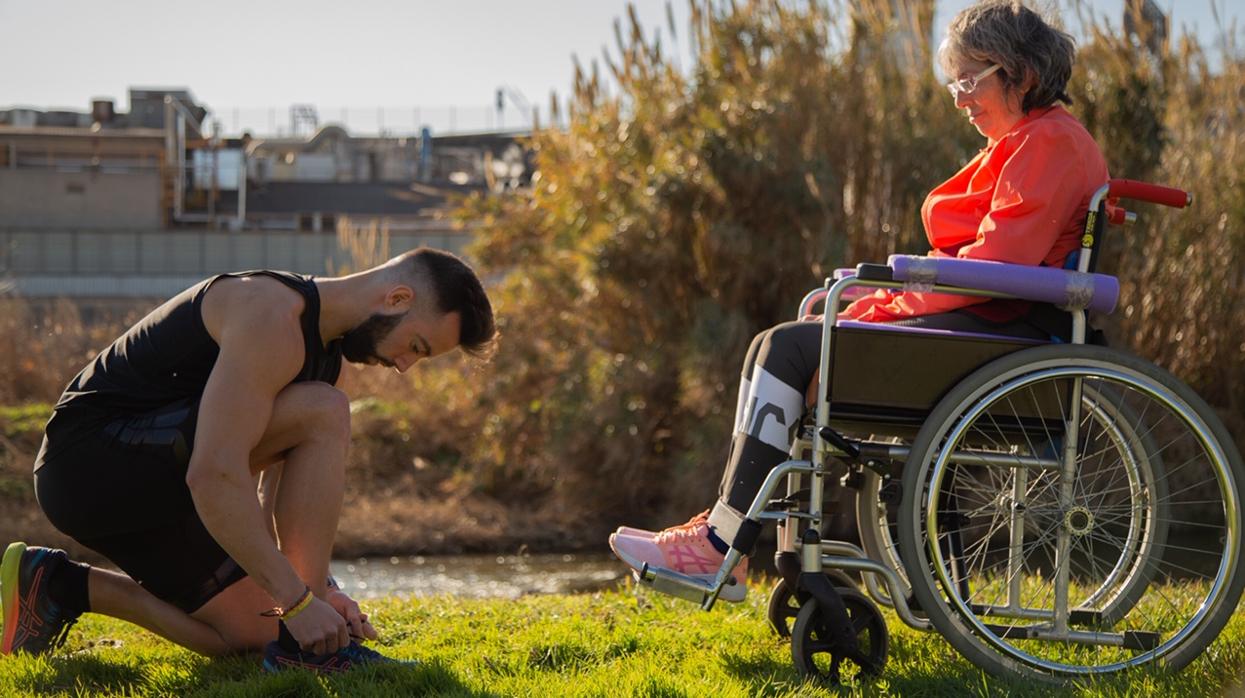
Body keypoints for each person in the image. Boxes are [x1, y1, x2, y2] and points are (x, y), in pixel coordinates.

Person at [609, 0, 1109, 601]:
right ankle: (728, 540)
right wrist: (877, 300)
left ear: (1021, 74)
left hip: (1000, 338)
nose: (958, 98)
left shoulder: (1049, 143)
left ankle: (720, 545)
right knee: (783, 342)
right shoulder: (1027, 141)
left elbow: (995, 268)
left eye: (970, 80)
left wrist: (885, 304)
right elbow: (982, 265)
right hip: (984, 327)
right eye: (954, 82)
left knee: (786, 349)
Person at [0, 247, 495, 672]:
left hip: (153, 483)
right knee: (325, 412)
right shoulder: (270, 314)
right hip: (87, 467)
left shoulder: (324, 359)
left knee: (256, 635)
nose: (405, 366)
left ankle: (58, 585)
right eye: (417, 347)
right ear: (397, 298)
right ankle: (312, 642)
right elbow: (214, 474)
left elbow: (265, 498)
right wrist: (302, 602)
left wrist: (323, 592)